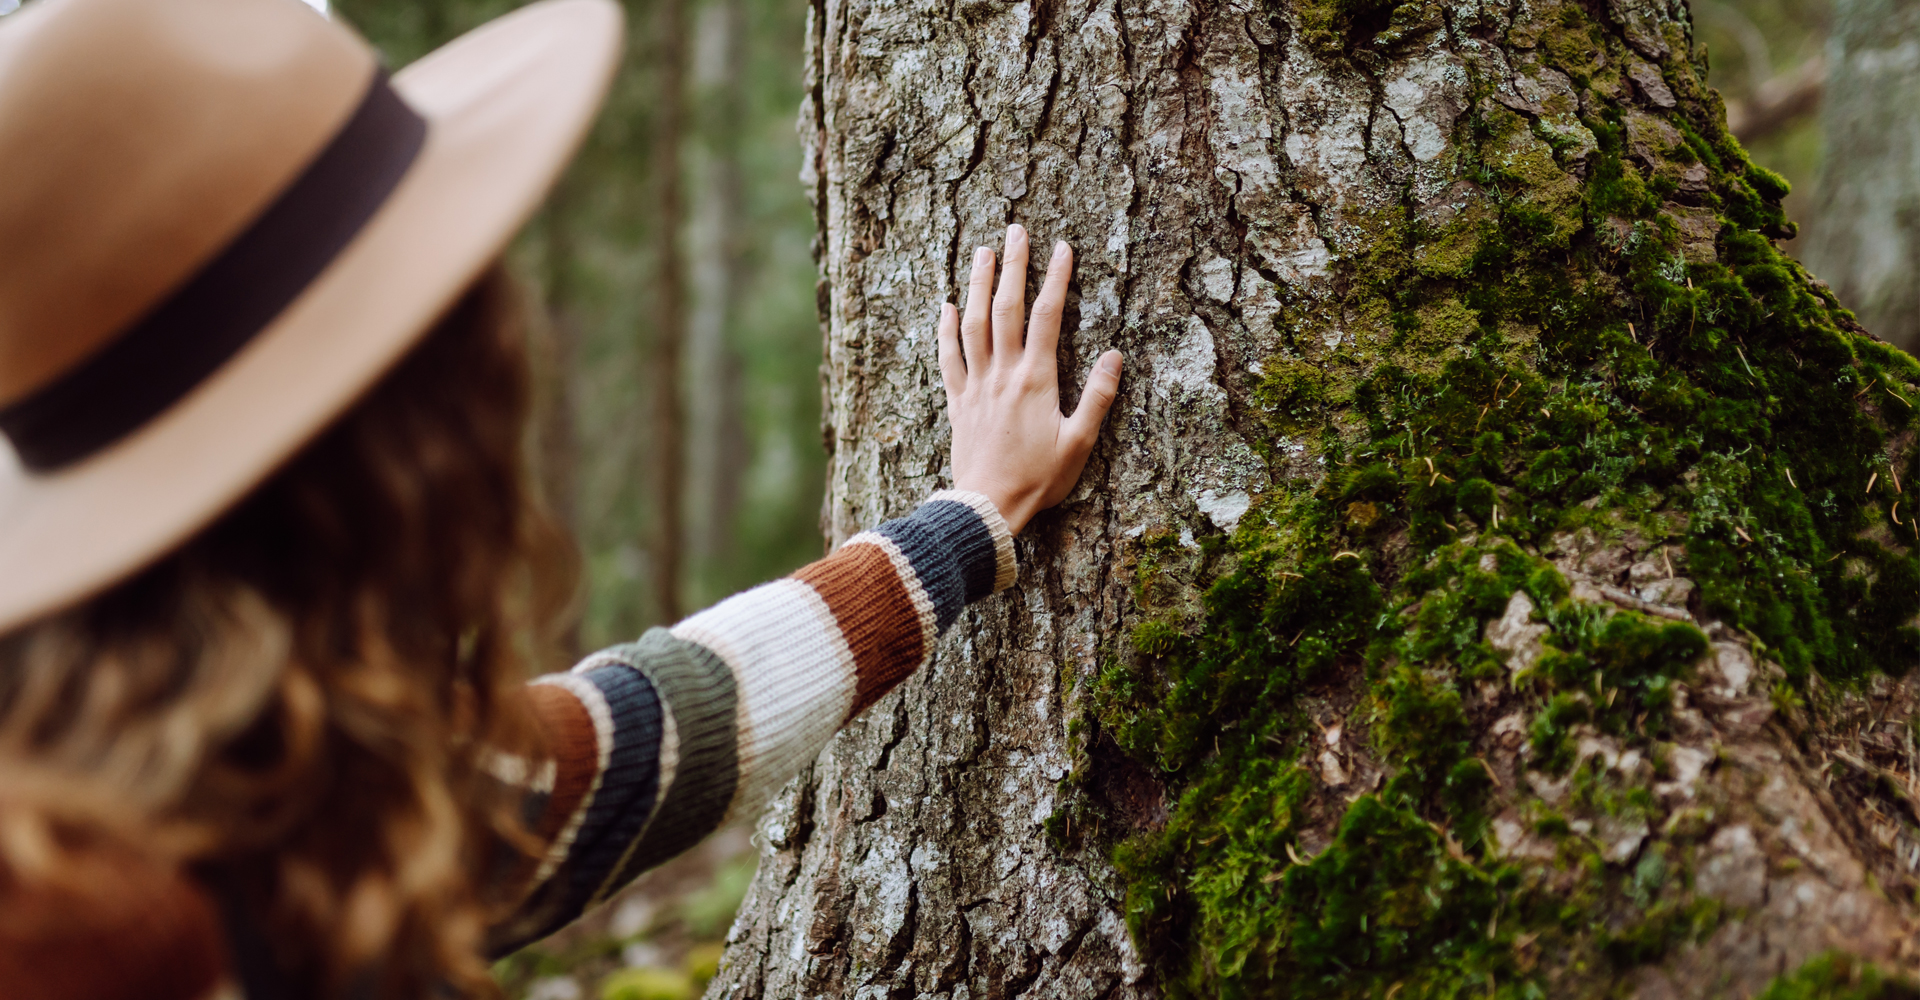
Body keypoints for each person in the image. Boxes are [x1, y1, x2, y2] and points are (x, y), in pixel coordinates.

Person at [0, 0, 1124, 997]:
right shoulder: (87, 927)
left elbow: (648, 741)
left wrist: (970, 518)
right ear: (405, 440)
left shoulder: (302, 777)